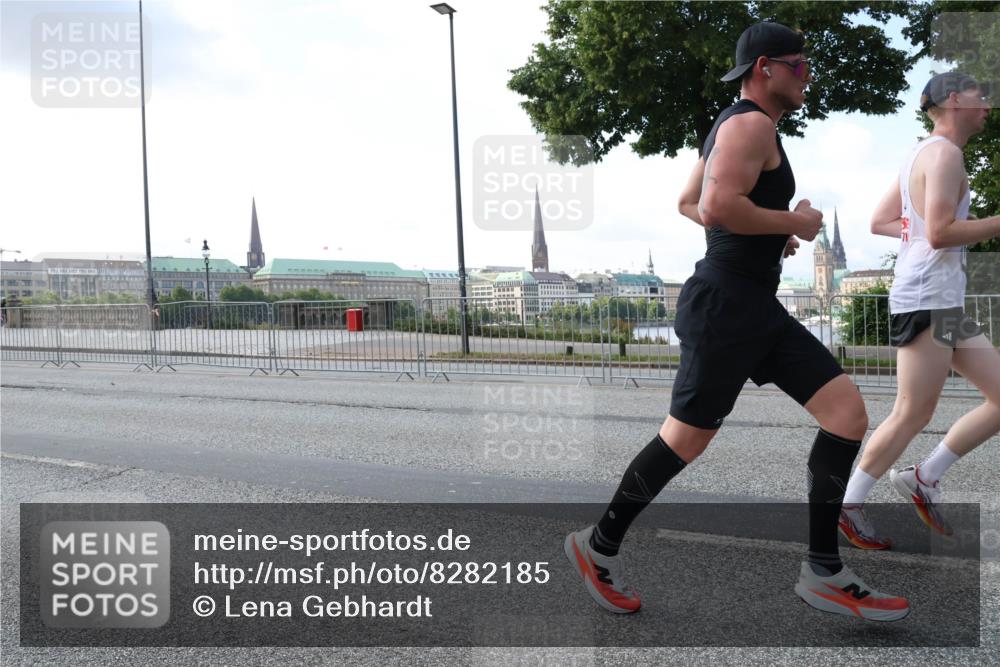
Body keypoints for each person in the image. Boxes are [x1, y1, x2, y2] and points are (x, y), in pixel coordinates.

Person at [564, 21, 910, 621]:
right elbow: (717, 206)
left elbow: (691, 203)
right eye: (799, 66)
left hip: (753, 304)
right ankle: (597, 548)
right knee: (685, 440)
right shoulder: (751, 124)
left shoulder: (731, 125)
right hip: (726, 306)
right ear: (764, 68)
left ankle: (824, 571)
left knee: (846, 413)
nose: (808, 77)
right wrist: (793, 223)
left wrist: (768, 234)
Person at [838, 72, 999, 548]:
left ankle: (924, 477)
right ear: (954, 100)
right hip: (927, 299)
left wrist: (937, 230)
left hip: (943, 300)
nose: (987, 106)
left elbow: (883, 221)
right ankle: (847, 503)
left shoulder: (920, 152)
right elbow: (941, 233)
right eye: (981, 97)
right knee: (912, 412)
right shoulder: (945, 154)